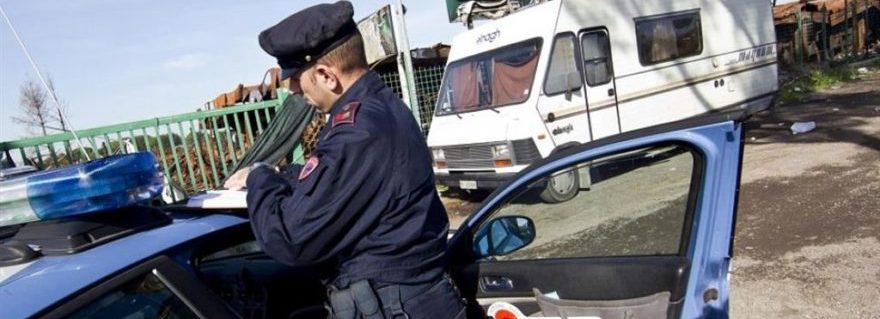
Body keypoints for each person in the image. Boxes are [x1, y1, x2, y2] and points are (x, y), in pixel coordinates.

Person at [223, 2, 465, 318]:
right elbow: (339, 179)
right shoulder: (378, 108)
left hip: (398, 307)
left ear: (326, 75)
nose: (293, 89)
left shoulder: (357, 131)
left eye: (295, 77)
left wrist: (259, 178)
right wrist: (281, 173)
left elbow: (291, 239)